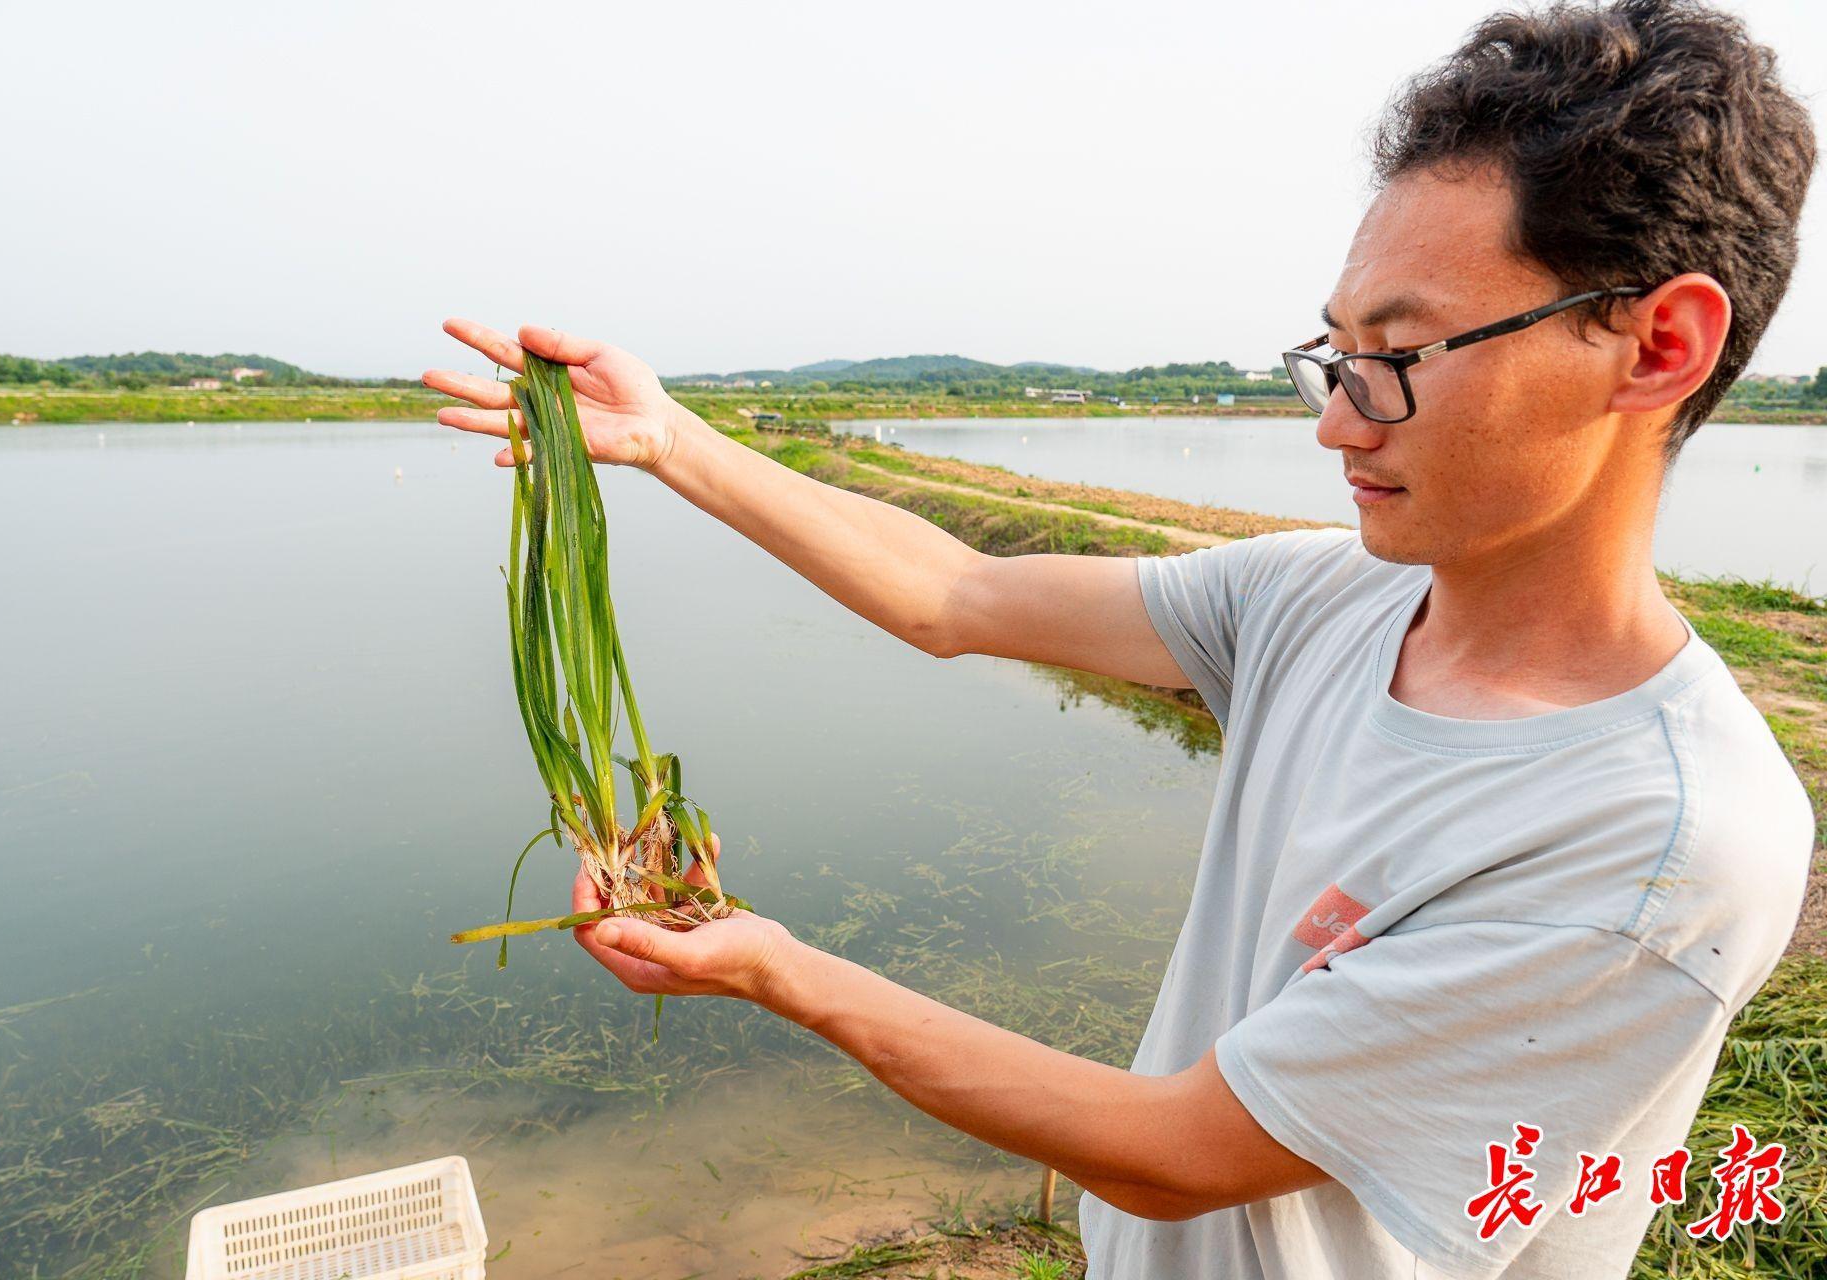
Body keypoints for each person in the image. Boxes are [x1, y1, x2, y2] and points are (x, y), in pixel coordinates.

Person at [424, 1, 1816, 1274]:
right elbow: (955, 595)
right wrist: (672, 443)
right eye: (1333, 354)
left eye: (1397, 357)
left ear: (1659, 346)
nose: (1334, 421)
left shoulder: (1657, 842)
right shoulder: (1317, 603)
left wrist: (776, 966)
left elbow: (1178, 1153)